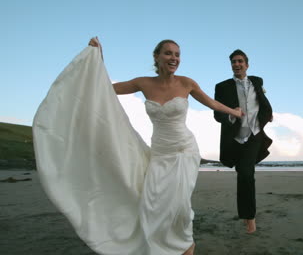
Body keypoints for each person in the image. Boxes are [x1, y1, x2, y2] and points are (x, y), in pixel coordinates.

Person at [34, 37, 243, 255]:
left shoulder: (186, 83)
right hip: (160, 153)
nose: (174, 58)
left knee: (179, 205)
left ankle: (187, 245)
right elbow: (104, 89)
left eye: (177, 54)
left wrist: (235, 112)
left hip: (185, 151)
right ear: (157, 56)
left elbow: (213, 104)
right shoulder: (143, 83)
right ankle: (163, 243)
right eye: (168, 53)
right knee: (152, 203)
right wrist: (99, 59)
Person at [214, 49, 273, 234]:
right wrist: (232, 114)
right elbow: (217, 114)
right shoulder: (222, 87)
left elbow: (262, 100)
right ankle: (247, 215)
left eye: (240, 61)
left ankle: (250, 219)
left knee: (247, 175)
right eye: (233, 62)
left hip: (254, 135)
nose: (237, 64)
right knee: (243, 175)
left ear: (247, 64)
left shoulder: (257, 81)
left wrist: (268, 115)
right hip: (235, 138)